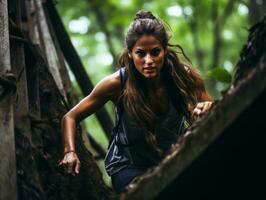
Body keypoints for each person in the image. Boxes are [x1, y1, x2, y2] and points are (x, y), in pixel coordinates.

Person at [59, 10, 212, 194]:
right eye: (141, 53)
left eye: (155, 52)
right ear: (130, 54)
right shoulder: (116, 84)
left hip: (173, 157)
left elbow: (212, 113)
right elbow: (70, 117)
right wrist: (70, 152)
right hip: (128, 166)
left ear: (164, 50)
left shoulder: (183, 77)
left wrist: (207, 109)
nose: (149, 61)